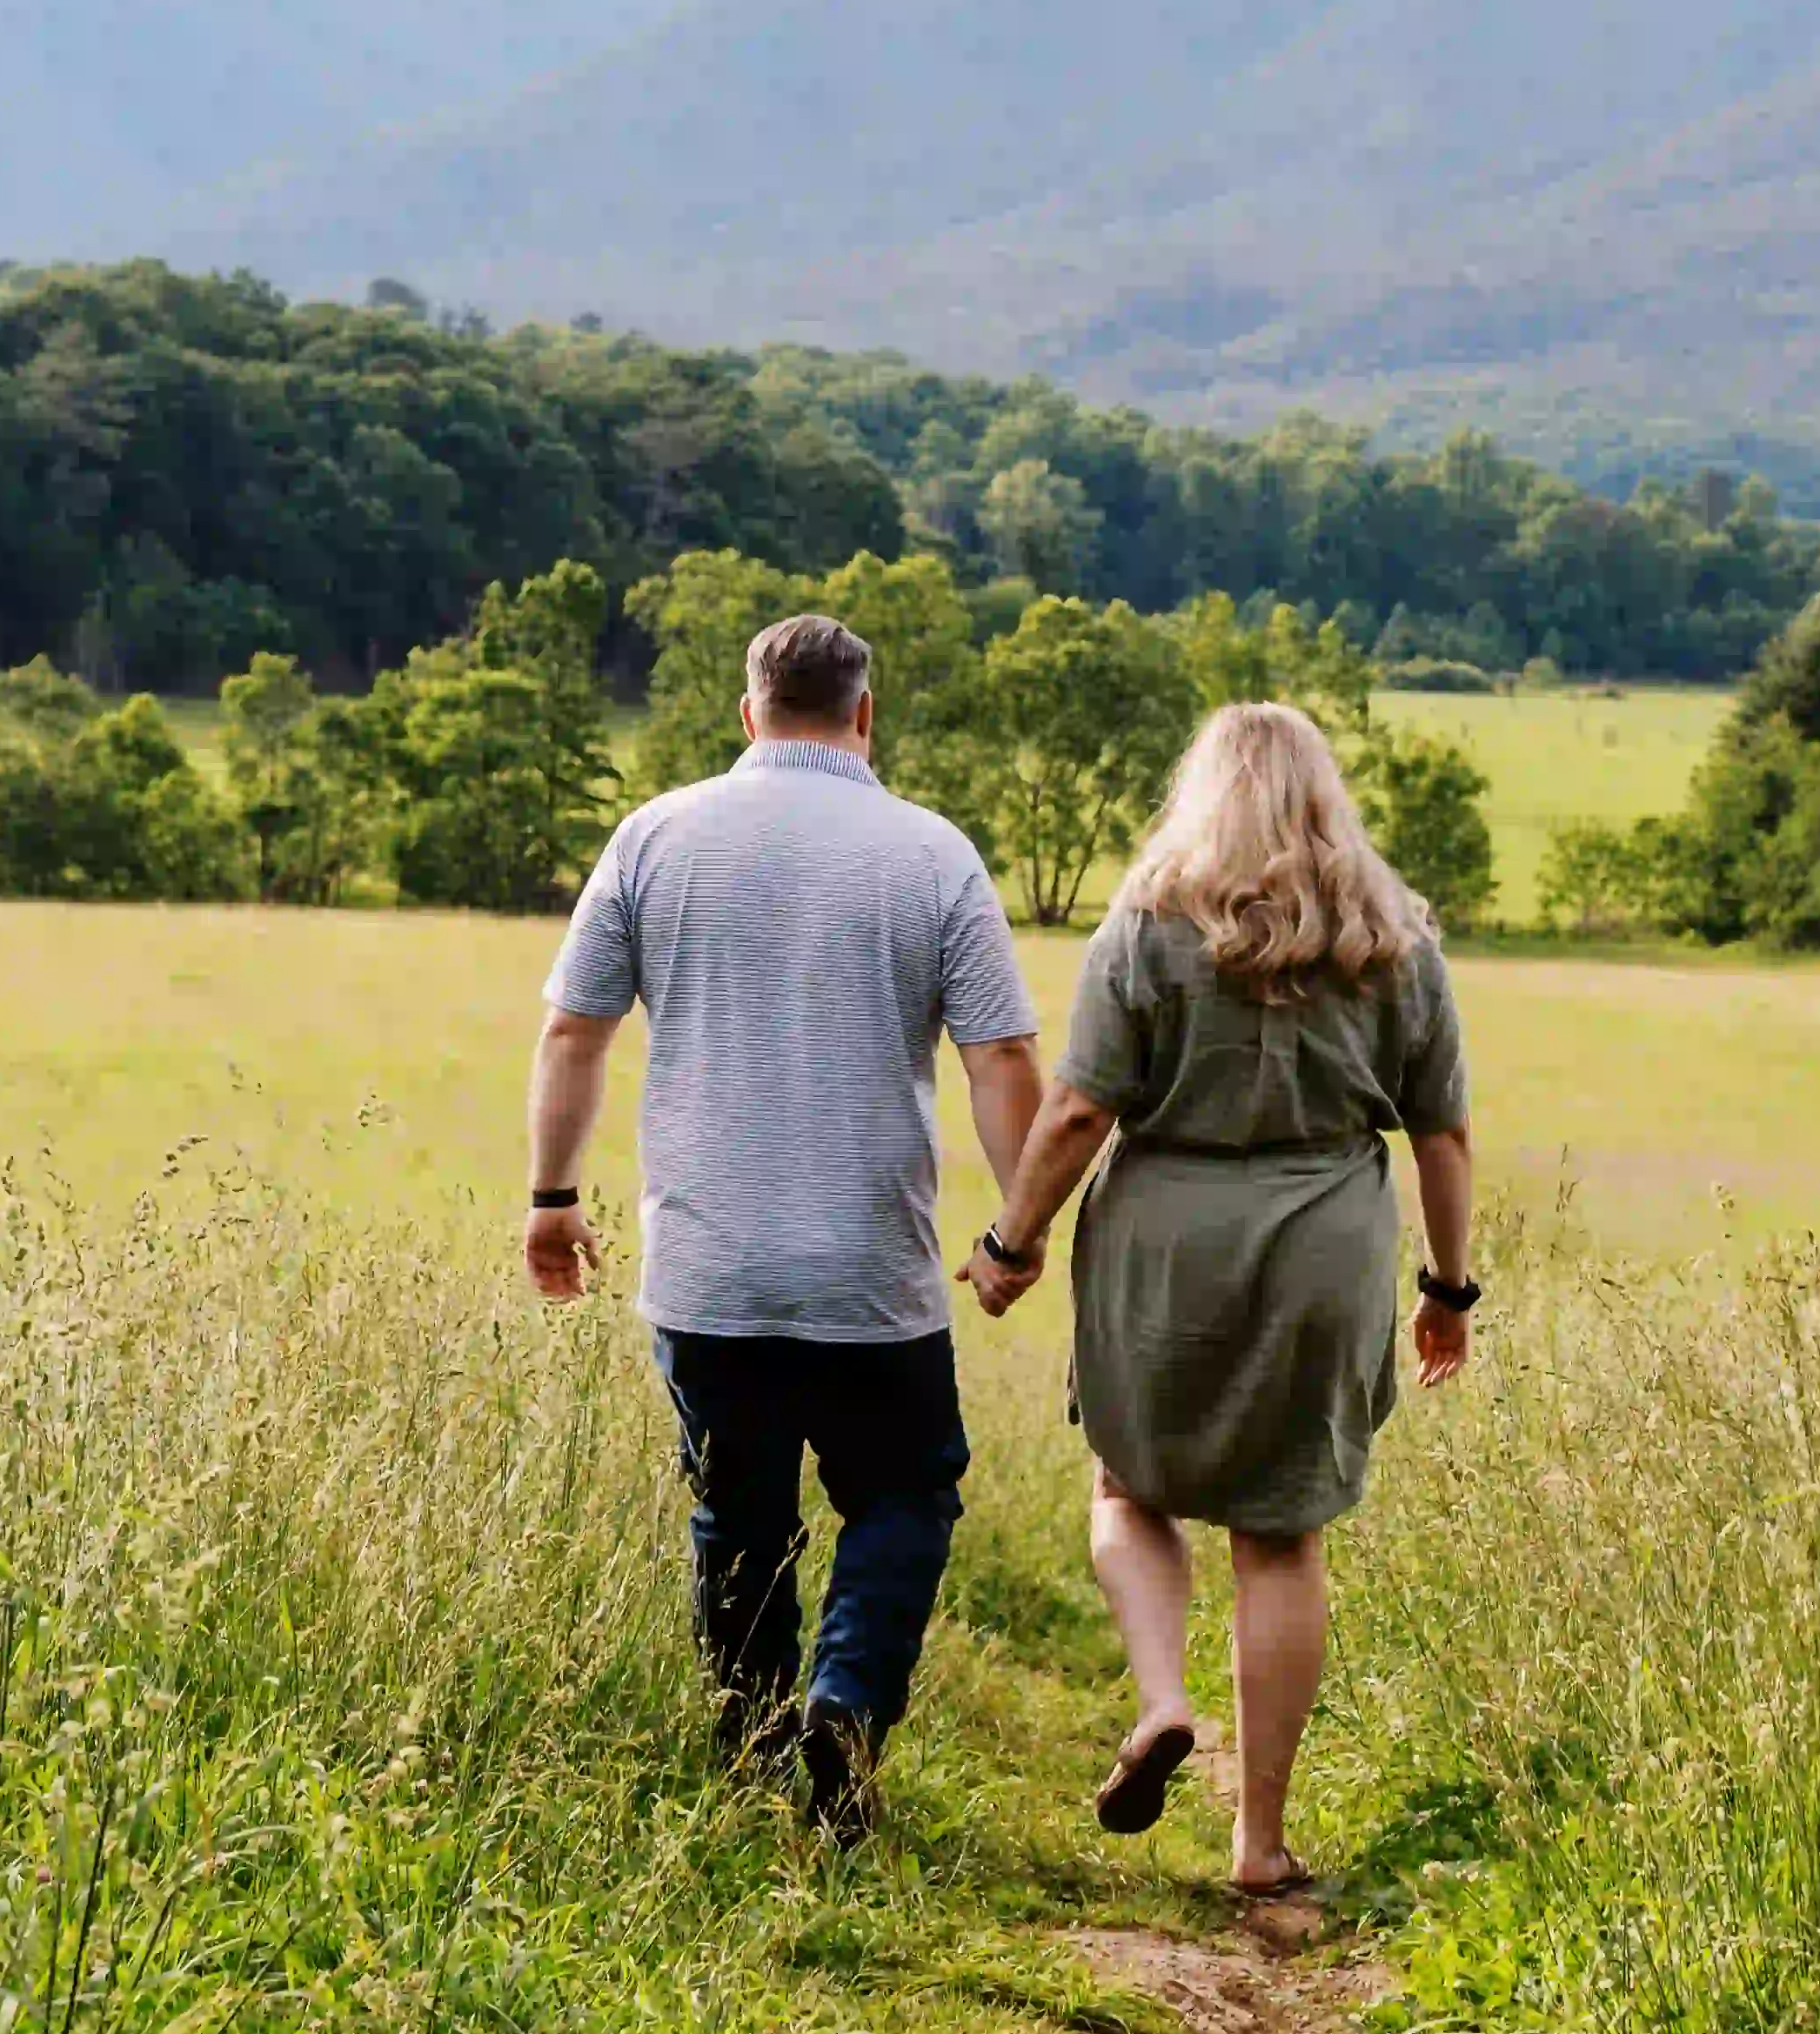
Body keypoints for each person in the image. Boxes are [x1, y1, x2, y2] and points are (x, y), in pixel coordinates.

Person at [526, 612, 1041, 1842]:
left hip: (712, 1267)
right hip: (873, 1268)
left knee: (738, 1514)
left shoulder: (655, 837)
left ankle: (754, 1754)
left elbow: (573, 1031)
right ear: (865, 716)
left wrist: (553, 1199)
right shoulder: (930, 854)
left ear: (748, 712)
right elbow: (1002, 1056)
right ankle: (848, 1701)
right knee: (904, 1495)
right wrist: (1016, 1229)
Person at [959, 699, 1475, 1903]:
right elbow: (1442, 1133)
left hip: (1166, 1240)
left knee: (1128, 1485)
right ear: (1323, 798)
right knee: (1281, 1532)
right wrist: (1447, 1289)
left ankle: (1162, 1700)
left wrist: (1009, 1241)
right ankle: (1261, 1842)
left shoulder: (1146, 929)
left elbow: (1082, 1109)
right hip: (1325, 1246)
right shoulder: (1394, 939)